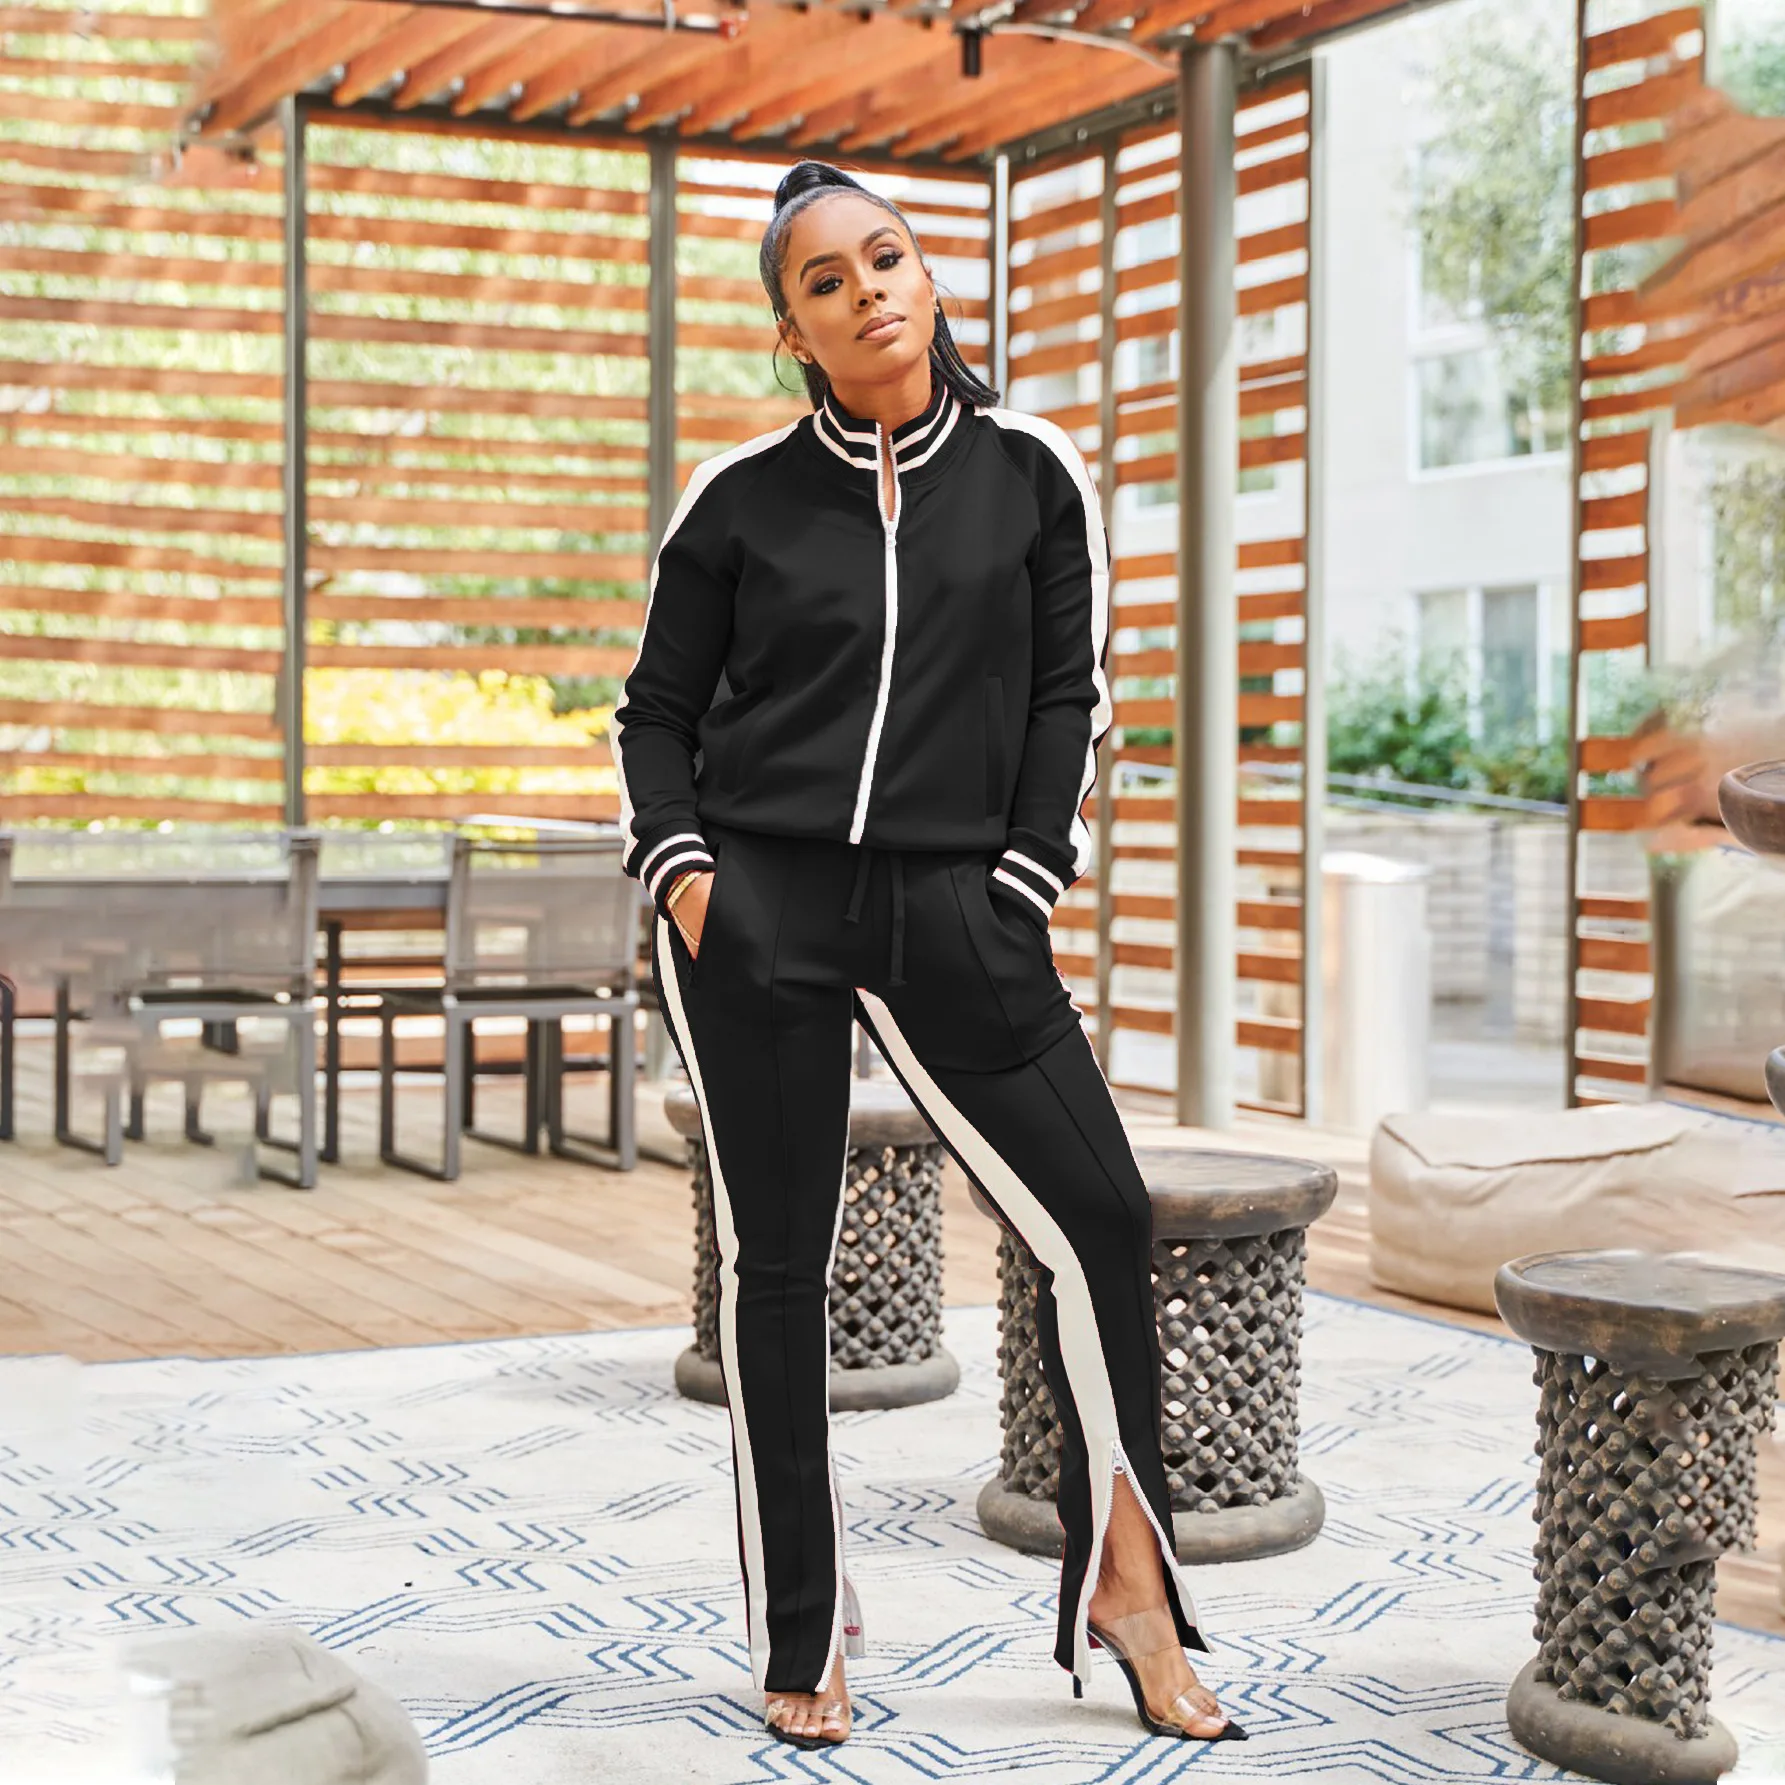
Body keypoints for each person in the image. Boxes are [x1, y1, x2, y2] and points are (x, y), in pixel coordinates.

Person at [609, 157, 1243, 1753]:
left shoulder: (1033, 472)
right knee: (777, 1269)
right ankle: (805, 1623)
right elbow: (656, 714)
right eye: (824, 282)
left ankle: (1133, 1593)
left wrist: (1026, 875)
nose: (866, 292)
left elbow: (1069, 693)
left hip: (962, 904)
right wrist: (687, 873)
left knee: (1101, 1217)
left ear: (932, 275)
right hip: (757, 905)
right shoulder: (740, 500)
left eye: (884, 258)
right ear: (795, 332)